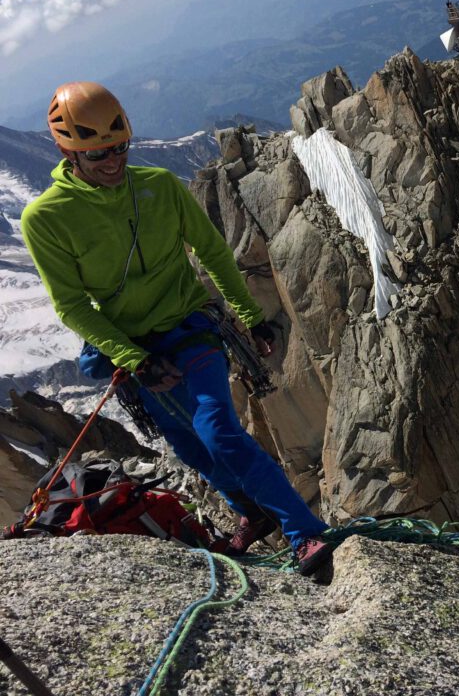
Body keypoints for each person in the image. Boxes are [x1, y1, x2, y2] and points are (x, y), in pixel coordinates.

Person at [21, 82, 336, 576]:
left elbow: (211, 252)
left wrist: (250, 317)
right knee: (188, 445)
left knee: (217, 430)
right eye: (97, 151)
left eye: (120, 146)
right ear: (67, 150)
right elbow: (72, 305)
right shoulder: (46, 219)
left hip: (189, 329)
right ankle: (251, 513)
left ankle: (304, 533)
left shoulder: (159, 187)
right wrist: (134, 360)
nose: (112, 160)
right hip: (136, 351)